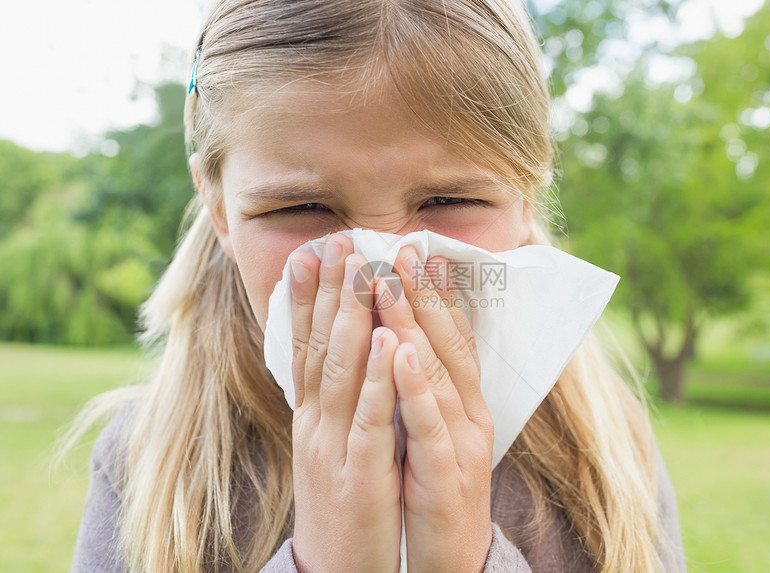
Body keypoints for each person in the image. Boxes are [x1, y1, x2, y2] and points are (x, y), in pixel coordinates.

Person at [67, 0, 686, 571]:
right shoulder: (148, 459)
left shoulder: (604, 455)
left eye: (449, 200)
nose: (381, 269)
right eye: (302, 207)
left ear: (525, 196)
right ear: (220, 209)